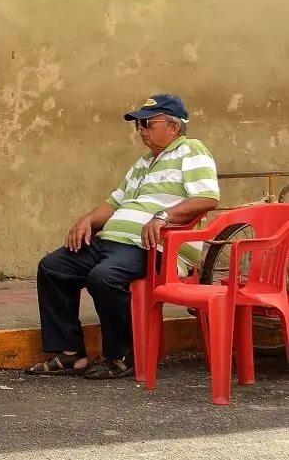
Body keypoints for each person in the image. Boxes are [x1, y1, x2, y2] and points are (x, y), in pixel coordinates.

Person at [28, 94, 219, 381]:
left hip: (155, 246)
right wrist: (88, 220)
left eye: (147, 123)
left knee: (104, 277)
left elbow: (207, 198)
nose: (141, 130)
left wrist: (163, 216)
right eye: (138, 125)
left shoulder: (191, 150)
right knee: (53, 267)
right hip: (113, 241)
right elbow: (114, 202)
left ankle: (123, 355)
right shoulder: (144, 162)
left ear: (174, 126)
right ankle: (70, 354)